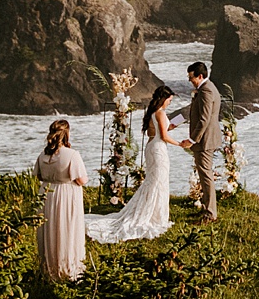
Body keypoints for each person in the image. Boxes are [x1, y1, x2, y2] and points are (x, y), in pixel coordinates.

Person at [86, 84, 182, 244]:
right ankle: (154, 215)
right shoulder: (160, 113)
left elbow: (160, 131)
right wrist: (179, 143)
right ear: (164, 99)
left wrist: (174, 124)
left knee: (154, 181)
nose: (170, 103)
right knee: (158, 181)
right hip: (158, 149)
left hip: (152, 147)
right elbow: (164, 136)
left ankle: (153, 213)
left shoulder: (153, 112)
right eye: (169, 100)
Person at [33, 119, 88, 282]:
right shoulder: (72, 155)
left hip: (46, 193)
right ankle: (68, 268)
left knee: (49, 230)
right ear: (66, 134)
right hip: (66, 194)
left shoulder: (43, 154)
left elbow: (39, 175)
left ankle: (48, 268)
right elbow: (81, 180)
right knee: (66, 229)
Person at [182, 61, 222, 223]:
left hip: (205, 140)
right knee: (204, 174)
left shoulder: (206, 91)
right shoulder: (206, 88)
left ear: (200, 76)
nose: (190, 80)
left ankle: (211, 213)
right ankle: (206, 209)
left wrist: (192, 140)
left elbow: (204, 119)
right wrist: (173, 122)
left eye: (191, 77)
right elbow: (192, 112)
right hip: (205, 139)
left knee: (206, 176)